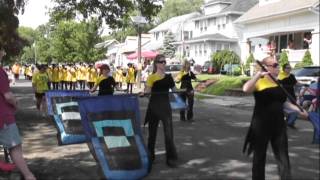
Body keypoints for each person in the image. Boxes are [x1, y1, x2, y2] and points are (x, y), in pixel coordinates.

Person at [242, 56, 308, 180]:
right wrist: (258, 75)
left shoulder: (279, 82)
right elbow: (245, 89)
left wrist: (298, 110)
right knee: (259, 157)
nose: (278, 67)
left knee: (283, 156)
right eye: (275, 65)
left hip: (278, 125)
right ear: (266, 67)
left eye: (278, 65)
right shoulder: (259, 82)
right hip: (261, 125)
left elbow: (282, 103)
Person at [0, 45, 36, 180]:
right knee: (15, 148)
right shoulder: (0, 72)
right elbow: (8, 96)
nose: (4, 53)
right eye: (2, 50)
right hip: (3, 117)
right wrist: (15, 103)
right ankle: (29, 176)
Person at [142, 54, 179, 168]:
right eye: (161, 62)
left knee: (169, 134)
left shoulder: (169, 77)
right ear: (156, 63)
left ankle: (171, 158)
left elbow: (175, 91)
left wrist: (186, 90)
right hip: (153, 107)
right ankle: (150, 156)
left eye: (164, 62)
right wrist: (145, 94)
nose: (164, 64)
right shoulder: (151, 77)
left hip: (165, 108)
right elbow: (148, 92)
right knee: (152, 134)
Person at [278, 63, 298, 128]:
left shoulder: (292, 76)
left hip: (292, 94)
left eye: (290, 68)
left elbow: (296, 83)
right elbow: (279, 86)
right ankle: (286, 122)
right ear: (284, 69)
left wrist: (304, 85)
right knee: (287, 109)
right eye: (287, 68)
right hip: (284, 95)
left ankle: (291, 123)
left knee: (294, 109)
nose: (289, 69)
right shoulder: (280, 76)